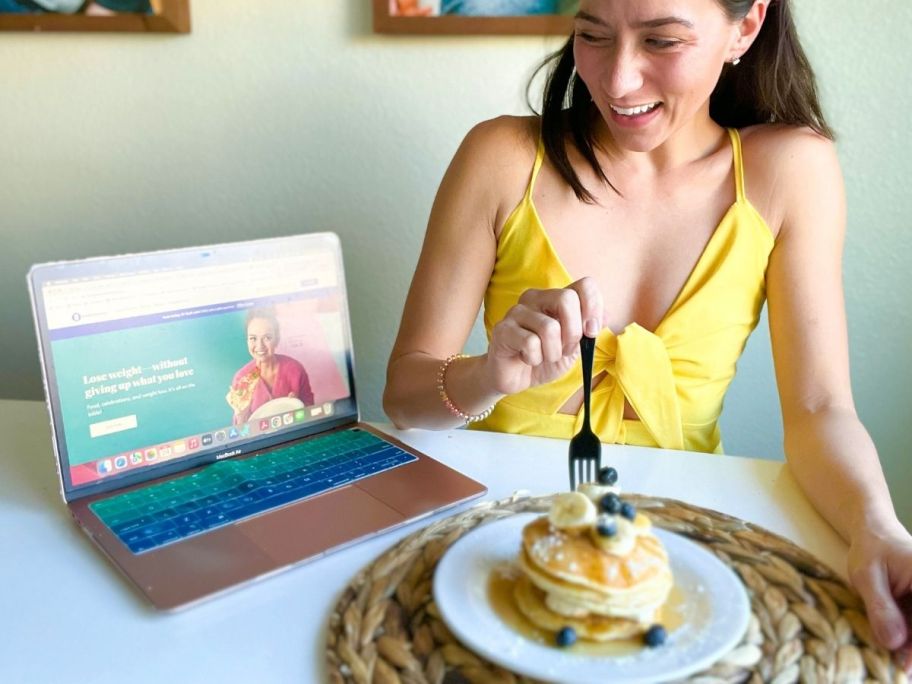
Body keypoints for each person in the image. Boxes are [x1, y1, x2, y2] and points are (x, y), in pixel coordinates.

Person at [384, 0, 912, 669]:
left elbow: (820, 411)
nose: (618, 80)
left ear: (746, 26)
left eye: (661, 40)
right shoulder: (501, 156)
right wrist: (486, 375)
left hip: (685, 548)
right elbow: (404, 396)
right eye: (591, 35)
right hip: (496, 542)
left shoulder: (790, 171)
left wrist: (877, 530)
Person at [226, 308, 314, 425]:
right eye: (253, 338)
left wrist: (298, 406)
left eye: (267, 337)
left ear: (277, 340)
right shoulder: (241, 378)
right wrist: (241, 414)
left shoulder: (296, 369)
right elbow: (241, 431)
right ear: (247, 340)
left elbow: (311, 409)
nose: (259, 346)